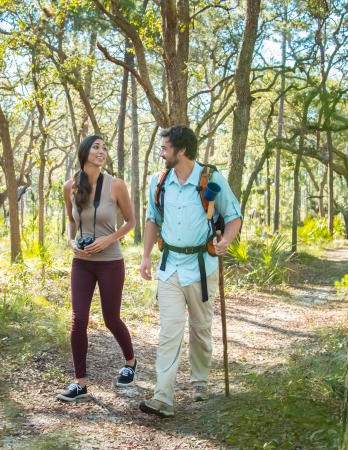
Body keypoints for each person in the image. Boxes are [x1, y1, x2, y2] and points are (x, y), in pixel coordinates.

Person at [138, 125, 243, 417]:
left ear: (181, 150)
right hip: (169, 266)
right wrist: (146, 256)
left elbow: (234, 216)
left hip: (201, 267)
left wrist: (226, 241)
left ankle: (200, 381)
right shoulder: (158, 182)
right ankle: (163, 397)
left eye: (165, 147)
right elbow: (152, 220)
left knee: (200, 328)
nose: (161, 152)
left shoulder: (211, 178)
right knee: (169, 331)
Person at [58, 135, 137, 402]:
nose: (101, 151)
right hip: (81, 263)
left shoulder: (116, 185)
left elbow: (130, 221)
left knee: (111, 319)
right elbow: (71, 222)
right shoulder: (69, 186)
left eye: (104, 148)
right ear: (84, 152)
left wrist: (108, 239)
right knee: (78, 319)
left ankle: (130, 362)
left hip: (110, 262)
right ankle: (80, 382)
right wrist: (71, 242)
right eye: (96, 147)